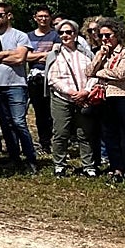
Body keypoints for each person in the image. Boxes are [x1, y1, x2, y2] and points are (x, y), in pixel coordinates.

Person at [87, 18, 125, 187]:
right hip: (107, 99)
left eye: (108, 35)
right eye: (101, 36)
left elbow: (121, 73)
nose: (104, 39)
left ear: (117, 35)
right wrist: (100, 56)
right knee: (110, 136)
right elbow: (89, 71)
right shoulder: (102, 54)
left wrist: (100, 72)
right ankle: (117, 169)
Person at [0, 2, 38, 173]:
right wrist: (8, 53)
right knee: (6, 124)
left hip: (16, 84)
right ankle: (14, 159)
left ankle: (31, 159)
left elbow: (20, 59)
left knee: (19, 122)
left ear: (9, 16)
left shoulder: (20, 36)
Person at [45, 19, 99, 177]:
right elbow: (52, 78)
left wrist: (85, 91)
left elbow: (94, 75)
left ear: (75, 34)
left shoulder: (85, 54)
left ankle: (88, 165)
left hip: (83, 97)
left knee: (85, 133)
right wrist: (70, 92)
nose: (65, 35)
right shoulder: (54, 54)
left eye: (68, 32)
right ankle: (59, 164)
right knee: (61, 132)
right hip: (62, 98)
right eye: (61, 33)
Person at [25, 5, 60, 153]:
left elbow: (55, 55)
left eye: (46, 16)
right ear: (35, 18)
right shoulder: (28, 36)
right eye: (40, 16)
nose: (43, 19)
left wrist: (36, 55)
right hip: (34, 77)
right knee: (39, 112)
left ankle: (54, 141)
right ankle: (44, 142)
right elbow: (25, 56)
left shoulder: (55, 35)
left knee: (51, 112)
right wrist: (43, 55)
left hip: (51, 76)